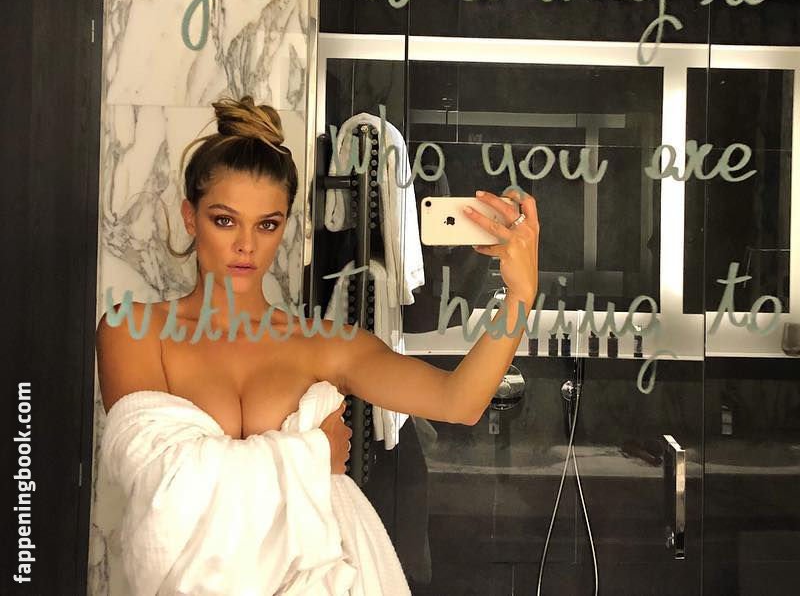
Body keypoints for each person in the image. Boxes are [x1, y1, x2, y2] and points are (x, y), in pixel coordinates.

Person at [96, 94, 539, 593]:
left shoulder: (323, 344)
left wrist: (520, 294)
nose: (246, 245)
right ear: (189, 216)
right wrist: (310, 456)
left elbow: (460, 401)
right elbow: (159, 489)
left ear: (284, 226)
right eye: (224, 220)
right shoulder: (135, 331)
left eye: (267, 224)